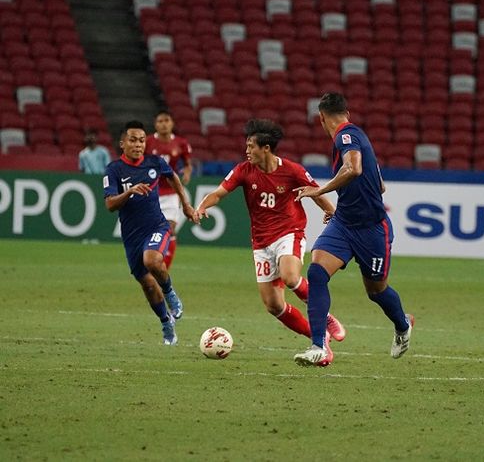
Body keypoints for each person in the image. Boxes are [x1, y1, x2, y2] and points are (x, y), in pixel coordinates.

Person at [193, 119, 346, 366]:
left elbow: (315, 191)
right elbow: (219, 193)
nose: (247, 150)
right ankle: (319, 337)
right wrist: (202, 206)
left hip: (289, 232)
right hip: (261, 242)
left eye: (251, 146)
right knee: (274, 306)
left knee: (289, 276)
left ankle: (325, 317)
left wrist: (332, 212)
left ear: (266, 148)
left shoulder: (292, 170)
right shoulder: (243, 170)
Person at [293, 92, 413, 367]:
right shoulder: (360, 136)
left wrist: (319, 191)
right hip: (344, 223)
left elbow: (354, 169)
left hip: (372, 229)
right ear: (347, 112)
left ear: (321, 117)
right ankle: (318, 346)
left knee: (376, 291)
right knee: (316, 272)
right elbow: (379, 184)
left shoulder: (345, 136)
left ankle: (403, 325)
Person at [104, 120, 195, 344]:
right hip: (131, 236)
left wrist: (185, 204)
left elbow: (173, 176)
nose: (138, 144)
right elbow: (110, 205)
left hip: (156, 226)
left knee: (153, 260)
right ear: (122, 143)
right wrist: (130, 192)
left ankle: (171, 294)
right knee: (147, 284)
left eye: (142, 140)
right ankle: (166, 323)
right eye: (133, 140)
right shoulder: (114, 169)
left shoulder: (155, 162)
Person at [145, 111, 193, 270]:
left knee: (170, 229)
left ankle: (164, 269)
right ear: (155, 124)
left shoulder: (181, 143)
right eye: (160, 121)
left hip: (171, 193)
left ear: (172, 123)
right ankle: (150, 262)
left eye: (166, 120)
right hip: (151, 193)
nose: (164, 124)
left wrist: (186, 172)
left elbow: (187, 164)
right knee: (151, 232)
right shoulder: (147, 142)